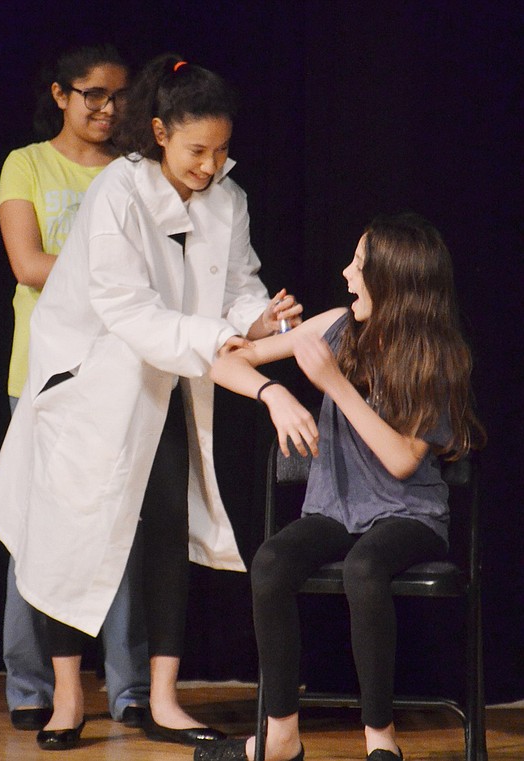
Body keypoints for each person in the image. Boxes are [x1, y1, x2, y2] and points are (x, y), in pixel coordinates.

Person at [0, 52, 303, 751]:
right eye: (196, 150)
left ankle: (161, 697)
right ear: (158, 131)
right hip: (90, 381)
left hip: (169, 383)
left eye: (221, 150)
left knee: (163, 534)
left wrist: (259, 319)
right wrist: (225, 338)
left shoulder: (228, 197)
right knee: (72, 535)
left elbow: (238, 282)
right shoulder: (117, 194)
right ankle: (67, 697)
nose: (210, 165)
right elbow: (128, 310)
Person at [195, 212, 486, 761]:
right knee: (272, 563)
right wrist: (273, 395)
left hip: (409, 515)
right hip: (335, 510)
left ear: (393, 281)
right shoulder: (335, 326)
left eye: (359, 264)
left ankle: (382, 741)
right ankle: (280, 738)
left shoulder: (436, 356)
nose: (347, 273)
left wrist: (332, 383)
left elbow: (402, 460)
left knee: (365, 567)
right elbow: (224, 363)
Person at [0, 44, 151, 731]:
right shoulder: (26, 164)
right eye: (92, 94)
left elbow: (153, 271)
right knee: (38, 532)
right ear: (60, 94)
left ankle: (129, 688)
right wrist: (111, 276)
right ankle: (30, 686)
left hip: (122, 371)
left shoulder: (134, 172)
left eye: (118, 96)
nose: (107, 108)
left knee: (120, 531)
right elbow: (29, 263)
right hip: (43, 371)